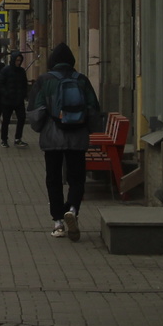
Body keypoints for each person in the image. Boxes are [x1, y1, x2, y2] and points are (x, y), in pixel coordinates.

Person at [28, 42, 101, 241]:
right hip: (77, 137)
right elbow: (93, 109)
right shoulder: (81, 80)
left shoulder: (45, 80)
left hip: (52, 137)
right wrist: (92, 129)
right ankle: (73, 209)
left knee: (53, 179)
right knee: (77, 178)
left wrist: (41, 127)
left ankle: (58, 222)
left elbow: (36, 112)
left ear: (52, 61)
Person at [0, 52, 30, 147]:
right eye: (17, 60)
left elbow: (24, 84)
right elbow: (0, 83)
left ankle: (18, 138)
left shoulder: (21, 71)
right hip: (7, 100)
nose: (18, 62)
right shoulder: (5, 70)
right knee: (6, 120)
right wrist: (6, 93)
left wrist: (24, 94)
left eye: (20, 60)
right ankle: (4, 139)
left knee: (21, 118)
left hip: (18, 100)